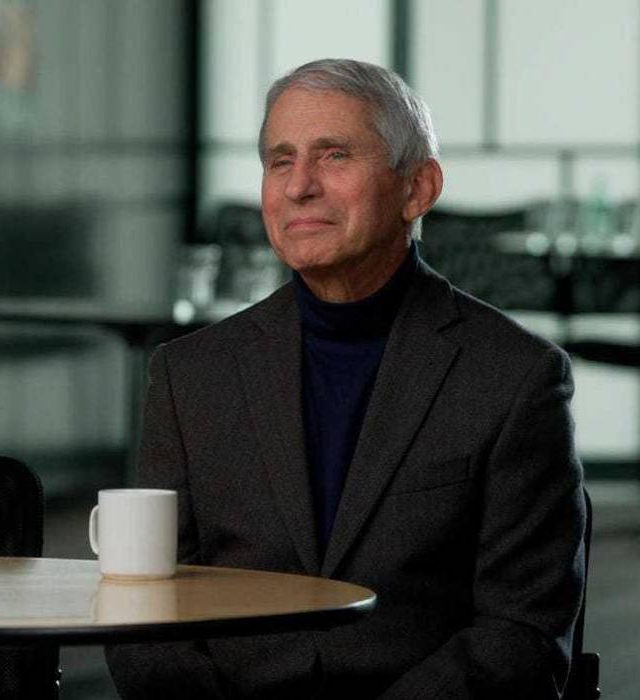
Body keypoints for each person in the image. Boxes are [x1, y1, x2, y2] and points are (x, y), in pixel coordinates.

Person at [106, 58, 586, 699]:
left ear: (418, 188)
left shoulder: (515, 377)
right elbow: (143, 604)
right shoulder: (189, 375)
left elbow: (521, 631)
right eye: (280, 161)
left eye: (334, 156)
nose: (299, 185)